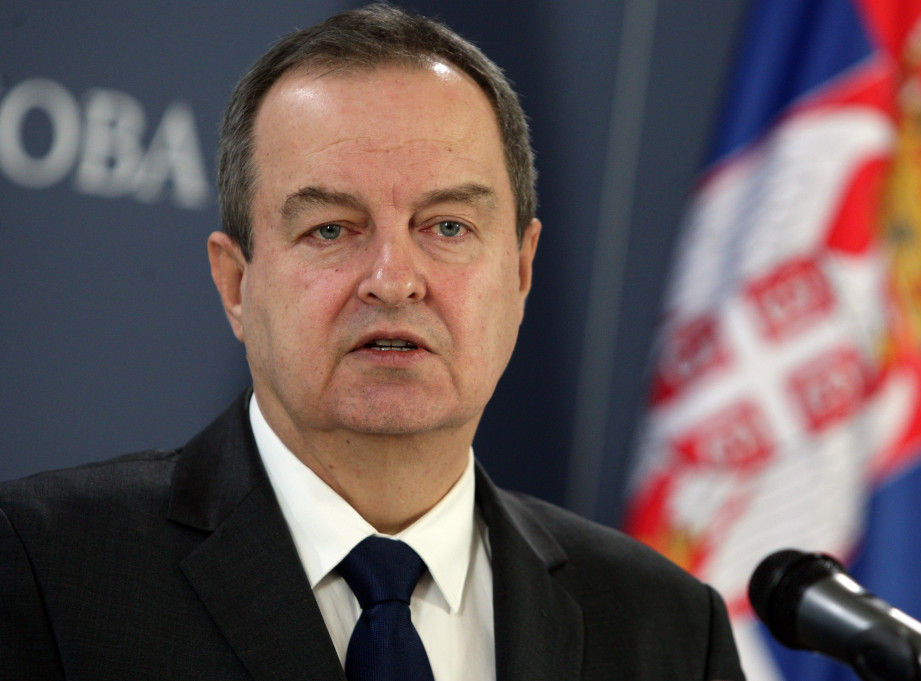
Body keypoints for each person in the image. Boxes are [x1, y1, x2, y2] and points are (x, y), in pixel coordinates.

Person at [0, 5, 746, 680]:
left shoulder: (670, 629)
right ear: (235, 284)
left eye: (447, 226)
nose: (393, 280)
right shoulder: (41, 565)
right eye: (330, 229)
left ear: (520, 272)